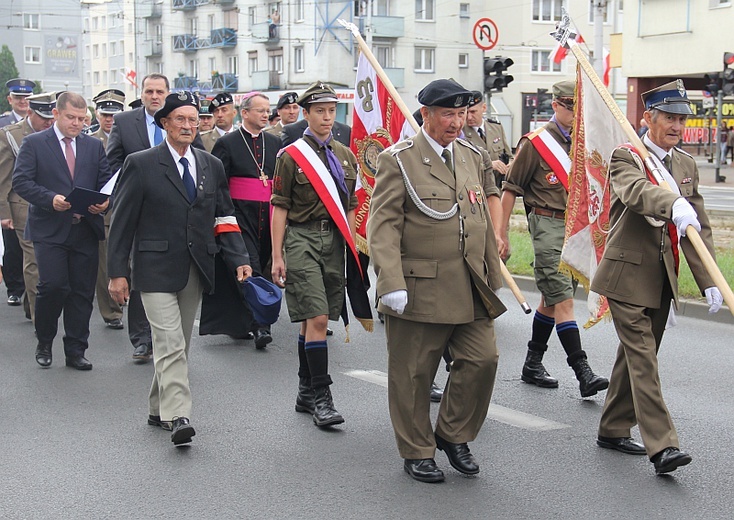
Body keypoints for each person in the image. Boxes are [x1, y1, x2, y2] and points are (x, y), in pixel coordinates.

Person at [368, 79, 506, 483]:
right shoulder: (399, 160)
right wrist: (389, 281)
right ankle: (416, 449)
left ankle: (452, 433)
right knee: (414, 372)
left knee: (483, 359)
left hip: (468, 284)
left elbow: (476, 216)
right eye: (448, 113)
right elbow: (384, 226)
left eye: (462, 114)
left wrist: (492, 273)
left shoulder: (471, 154)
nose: (456, 122)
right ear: (425, 114)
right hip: (419, 285)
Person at [592, 80, 722, 475]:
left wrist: (710, 279)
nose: (676, 126)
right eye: (669, 117)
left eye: (682, 119)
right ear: (648, 117)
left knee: (632, 358)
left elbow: (697, 228)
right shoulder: (627, 156)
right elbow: (635, 193)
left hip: (661, 278)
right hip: (625, 276)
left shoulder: (684, 163)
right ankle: (663, 446)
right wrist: (672, 202)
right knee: (644, 360)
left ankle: (613, 428)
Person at [107, 91, 252, 445]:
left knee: (179, 344)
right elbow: (122, 221)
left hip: (196, 266)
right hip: (153, 267)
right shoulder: (141, 163)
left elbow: (224, 216)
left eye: (193, 119)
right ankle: (179, 415)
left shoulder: (210, 165)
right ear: (164, 124)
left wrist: (240, 258)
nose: (188, 125)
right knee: (169, 342)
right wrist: (116, 272)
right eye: (180, 120)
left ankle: (158, 408)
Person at [500, 80, 608, 398]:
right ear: (556, 106)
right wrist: (500, 232)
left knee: (551, 299)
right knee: (563, 300)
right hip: (546, 225)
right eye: (569, 107)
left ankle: (532, 363)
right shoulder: (535, 144)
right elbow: (511, 188)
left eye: (579, 109)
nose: (575, 114)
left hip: (574, 229)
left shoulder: (583, 144)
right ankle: (582, 371)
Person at [271, 81, 360, 428]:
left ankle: (305, 390)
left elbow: (351, 206)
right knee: (319, 317)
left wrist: (352, 249)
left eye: (331, 111)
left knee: (314, 319)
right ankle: (323, 397)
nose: (326, 118)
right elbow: (280, 208)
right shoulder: (291, 157)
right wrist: (277, 256)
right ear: (306, 115)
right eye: (319, 111)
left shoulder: (346, 155)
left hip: (334, 242)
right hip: (301, 239)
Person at [106, 73, 205, 363]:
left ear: (166, 94)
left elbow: (196, 159)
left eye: (159, 91)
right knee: (141, 270)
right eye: (148, 90)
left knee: (164, 273)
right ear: (142, 93)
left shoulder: (184, 119)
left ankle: (163, 343)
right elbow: (113, 163)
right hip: (137, 203)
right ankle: (140, 338)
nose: (153, 96)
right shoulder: (125, 123)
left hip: (171, 211)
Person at [12, 91, 113, 370]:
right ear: (56, 114)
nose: (77, 124)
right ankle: (44, 340)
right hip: (50, 229)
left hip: (85, 229)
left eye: (81, 119)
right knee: (53, 286)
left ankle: (76, 350)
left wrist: (104, 203)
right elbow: (21, 182)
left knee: (82, 292)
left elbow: (106, 183)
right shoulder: (34, 143)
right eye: (71, 117)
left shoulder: (93, 146)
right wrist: (50, 199)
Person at [200, 92, 281, 347]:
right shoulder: (229, 143)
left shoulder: (276, 143)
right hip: (239, 217)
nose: (266, 115)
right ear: (245, 113)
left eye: (268, 110)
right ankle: (261, 326)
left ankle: (246, 320)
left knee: (264, 269)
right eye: (260, 110)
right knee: (251, 267)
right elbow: (219, 182)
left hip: (267, 217)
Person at [0, 93, 57, 325]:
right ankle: (39, 317)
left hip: (53, 204)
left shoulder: (56, 133)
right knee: (35, 261)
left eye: (50, 117)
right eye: (43, 117)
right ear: (30, 113)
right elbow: (4, 177)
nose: (48, 122)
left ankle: (30, 305)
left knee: (43, 261)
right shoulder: (10, 136)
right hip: (22, 205)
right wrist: (4, 213)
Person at [91, 89, 125, 330]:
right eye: (105, 115)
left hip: (129, 206)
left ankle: (130, 301)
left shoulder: (129, 137)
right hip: (104, 209)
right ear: (97, 114)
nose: (109, 120)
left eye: (114, 115)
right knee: (105, 264)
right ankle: (111, 312)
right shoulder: (90, 141)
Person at [0, 79, 35, 310]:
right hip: (14, 197)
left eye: (26, 98)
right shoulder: (4, 126)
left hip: (33, 197)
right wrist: (3, 208)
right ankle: (15, 288)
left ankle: (29, 298)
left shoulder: (41, 123)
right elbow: (3, 173)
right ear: (10, 99)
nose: (23, 102)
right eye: (18, 98)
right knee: (14, 249)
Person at [463, 90, 513, 190]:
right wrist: (490, 165)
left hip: (498, 189)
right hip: (476, 191)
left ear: (484, 108)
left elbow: (509, 156)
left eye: (473, 112)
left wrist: (510, 165)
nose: (469, 117)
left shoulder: (496, 128)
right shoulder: (460, 133)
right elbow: (463, 165)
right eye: (466, 112)